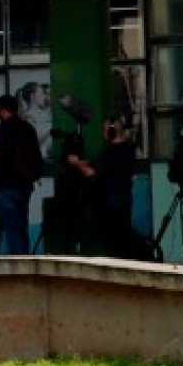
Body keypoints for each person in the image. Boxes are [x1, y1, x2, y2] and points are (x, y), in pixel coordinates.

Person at [0, 93, 44, 256]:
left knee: (11, 228)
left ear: (2, 111)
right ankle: (25, 258)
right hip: (24, 184)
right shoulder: (28, 129)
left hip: (4, 184)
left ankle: (19, 264)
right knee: (21, 225)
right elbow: (35, 155)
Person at [94, 116, 149, 260]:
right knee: (123, 232)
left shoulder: (112, 152)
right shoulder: (128, 149)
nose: (103, 133)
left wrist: (76, 164)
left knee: (116, 236)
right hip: (123, 198)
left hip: (113, 198)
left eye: (105, 130)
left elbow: (94, 172)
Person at [53, 93, 99, 254]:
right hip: (71, 185)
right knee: (69, 217)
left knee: (78, 217)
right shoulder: (71, 140)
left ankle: (76, 246)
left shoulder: (79, 133)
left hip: (76, 187)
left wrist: (77, 163)